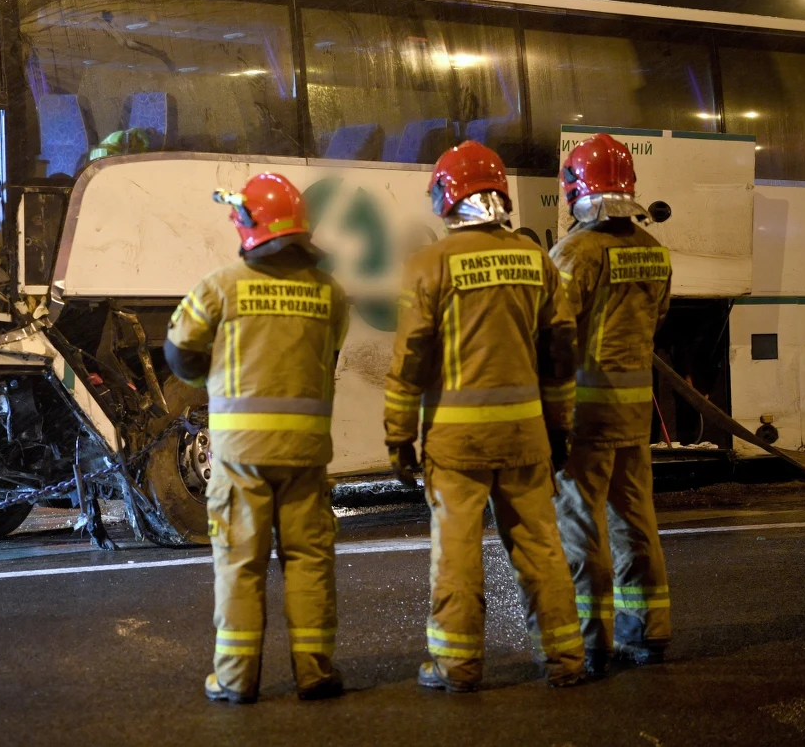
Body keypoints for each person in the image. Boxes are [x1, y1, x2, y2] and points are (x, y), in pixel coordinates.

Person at [383, 140, 586, 691]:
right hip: (526, 436)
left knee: (457, 554)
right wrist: (560, 425)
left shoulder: (428, 264)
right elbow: (561, 351)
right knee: (541, 546)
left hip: (457, 443)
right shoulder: (535, 259)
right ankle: (566, 658)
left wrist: (399, 438)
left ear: (449, 197)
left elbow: (410, 360)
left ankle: (458, 666)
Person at [165, 173, 348, 704]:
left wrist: (213, 378)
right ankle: (315, 672)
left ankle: (236, 678)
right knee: (309, 561)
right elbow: (329, 352)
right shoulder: (330, 293)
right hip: (307, 456)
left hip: (242, 456)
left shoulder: (220, 287)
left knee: (241, 563)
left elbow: (181, 355)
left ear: (249, 225)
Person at [550, 133, 673, 675]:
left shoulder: (575, 253)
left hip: (585, 416)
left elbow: (554, 333)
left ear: (577, 188)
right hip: (633, 413)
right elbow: (659, 318)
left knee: (582, 525)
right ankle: (648, 633)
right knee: (636, 520)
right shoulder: (653, 250)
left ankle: (591, 639)